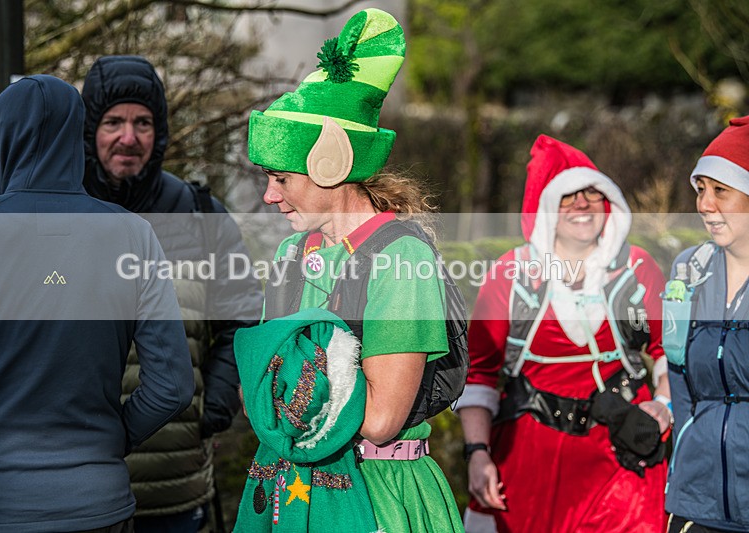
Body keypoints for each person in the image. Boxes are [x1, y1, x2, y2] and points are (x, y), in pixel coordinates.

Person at [233, 8, 464, 532]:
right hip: (290, 489)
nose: (269, 195)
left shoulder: (401, 259)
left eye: (280, 178)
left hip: (375, 494)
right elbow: (256, 398)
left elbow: (381, 421)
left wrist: (292, 396)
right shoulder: (290, 257)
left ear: (331, 164)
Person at [0, 75, 194, 532]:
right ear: (75, 140)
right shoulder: (132, 234)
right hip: (97, 500)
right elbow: (173, 387)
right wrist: (109, 439)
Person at [81, 55, 263, 532]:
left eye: (143, 122)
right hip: (81, 485)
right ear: (88, 130)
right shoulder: (61, 216)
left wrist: (213, 406)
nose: (129, 137)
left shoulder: (200, 214)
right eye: (113, 121)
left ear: (159, 132)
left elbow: (244, 317)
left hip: (177, 484)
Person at [456, 134, 671, 533]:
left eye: (592, 193)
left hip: (623, 454)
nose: (583, 205)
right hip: (531, 458)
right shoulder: (511, 274)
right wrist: (477, 453)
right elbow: (479, 374)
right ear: (545, 209)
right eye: (568, 197)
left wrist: (664, 405)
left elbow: (667, 352)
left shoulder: (636, 267)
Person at [664, 116, 749, 532]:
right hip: (697, 501)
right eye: (700, 190)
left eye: (721, 191)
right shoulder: (688, 271)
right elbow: (678, 378)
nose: (704, 204)